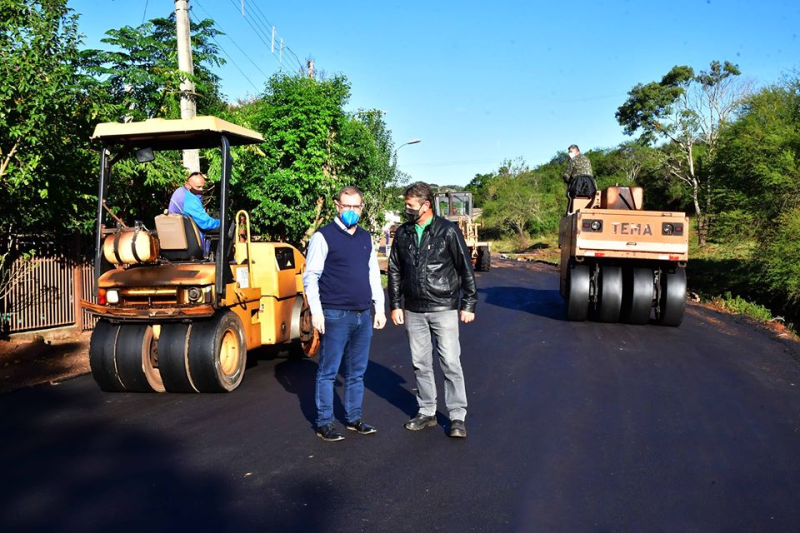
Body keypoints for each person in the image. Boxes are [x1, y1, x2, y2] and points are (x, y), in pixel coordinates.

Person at [388, 182, 477, 439]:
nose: (406, 210)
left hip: (443, 308)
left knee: (450, 362)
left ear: (425, 205)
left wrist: (468, 304)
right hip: (414, 310)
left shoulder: (448, 231)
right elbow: (394, 270)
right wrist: (395, 304)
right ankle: (427, 411)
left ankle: (457, 416)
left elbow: (465, 269)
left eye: (410, 206)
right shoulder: (403, 233)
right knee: (420, 363)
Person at [303, 186, 387, 442]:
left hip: (363, 313)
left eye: (356, 207)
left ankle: (353, 418)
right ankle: (325, 422)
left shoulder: (365, 238)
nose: (351, 211)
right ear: (337, 206)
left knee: (356, 372)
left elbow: (373, 274)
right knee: (329, 371)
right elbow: (311, 276)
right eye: (346, 206)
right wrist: (316, 312)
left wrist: (379, 308)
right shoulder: (323, 237)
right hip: (335, 314)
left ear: (361, 208)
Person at [168, 172, 221, 249]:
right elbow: (205, 223)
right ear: (188, 185)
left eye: (203, 187)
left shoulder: (180, 192)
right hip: (191, 242)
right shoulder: (189, 199)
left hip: (179, 237)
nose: (201, 190)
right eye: (198, 187)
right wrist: (222, 223)